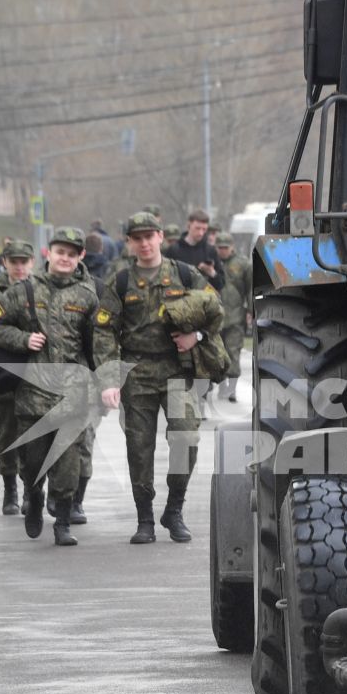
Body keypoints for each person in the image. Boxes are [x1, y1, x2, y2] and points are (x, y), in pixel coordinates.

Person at [94, 209, 224, 543]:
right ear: (129, 243)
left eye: (149, 236)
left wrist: (196, 337)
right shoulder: (120, 282)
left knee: (186, 438)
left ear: (160, 238)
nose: (144, 243)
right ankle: (145, 519)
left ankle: (174, 509)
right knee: (139, 448)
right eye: (137, 238)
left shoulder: (184, 273)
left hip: (176, 370)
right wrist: (110, 380)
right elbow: (104, 332)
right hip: (136, 373)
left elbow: (215, 308)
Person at [0, 227, 98, 545]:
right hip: (32, 396)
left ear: (80, 258)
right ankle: (33, 497)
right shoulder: (24, 292)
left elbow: (98, 344)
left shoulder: (87, 297)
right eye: (60, 252)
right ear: (49, 254)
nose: (65, 258)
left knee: (67, 464)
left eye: (72, 254)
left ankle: (62, 523)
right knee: (33, 463)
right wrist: (22, 339)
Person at [0, 240, 37, 515]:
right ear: (5, 263)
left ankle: (30, 490)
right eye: (13, 261)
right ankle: (10, 489)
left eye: (23, 261)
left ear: (32, 262)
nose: (19, 267)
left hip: (35, 374)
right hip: (4, 374)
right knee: (7, 433)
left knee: (33, 435)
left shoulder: (40, 292)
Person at [213, 231, 250, 402]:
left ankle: (232, 388)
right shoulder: (211, 263)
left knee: (233, 352)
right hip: (215, 318)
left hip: (235, 316)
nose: (222, 251)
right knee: (218, 354)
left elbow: (250, 289)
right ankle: (221, 386)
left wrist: (251, 311)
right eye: (219, 247)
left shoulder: (243, 264)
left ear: (232, 247)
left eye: (225, 248)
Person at [165, 208, 224, 289]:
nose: (201, 233)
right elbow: (165, 279)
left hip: (205, 298)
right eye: (197, 228)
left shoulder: (210, 251)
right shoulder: (174, 250)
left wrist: (211, 272)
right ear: (189, 225)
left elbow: (220, 284)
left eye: (204, 229)